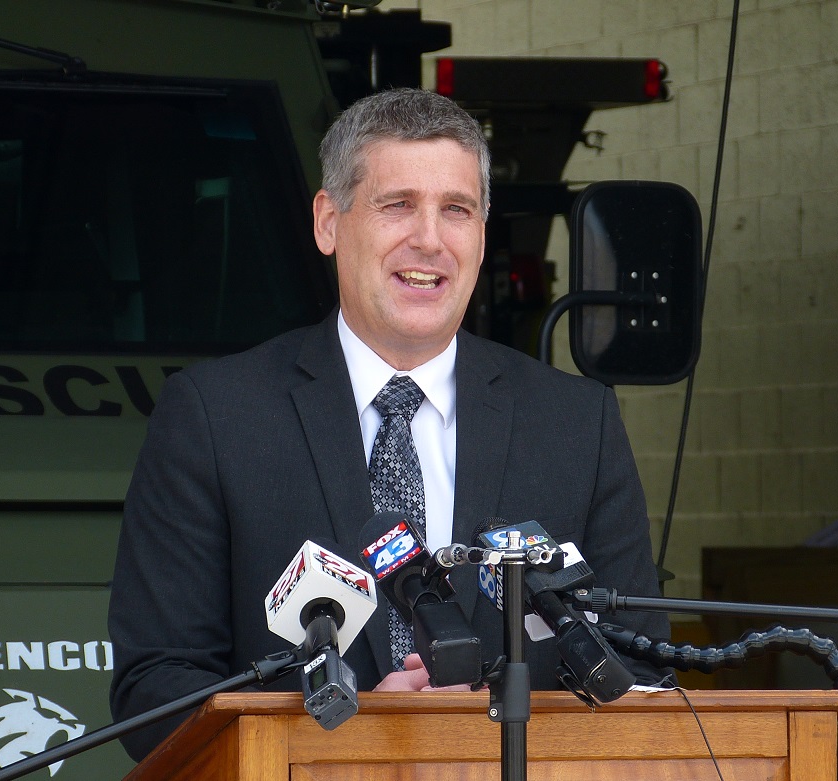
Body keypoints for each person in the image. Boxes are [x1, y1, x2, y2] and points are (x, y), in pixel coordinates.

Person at [108, 88, 671, 761]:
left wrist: (484, 727)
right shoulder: (214, 415)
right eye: (397, 204)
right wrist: (363, 732)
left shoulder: (578, 422)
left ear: (482, 233)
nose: (428, 240)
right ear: (328, 221)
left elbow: (641, 671)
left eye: (455, 210)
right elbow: (154, 691)